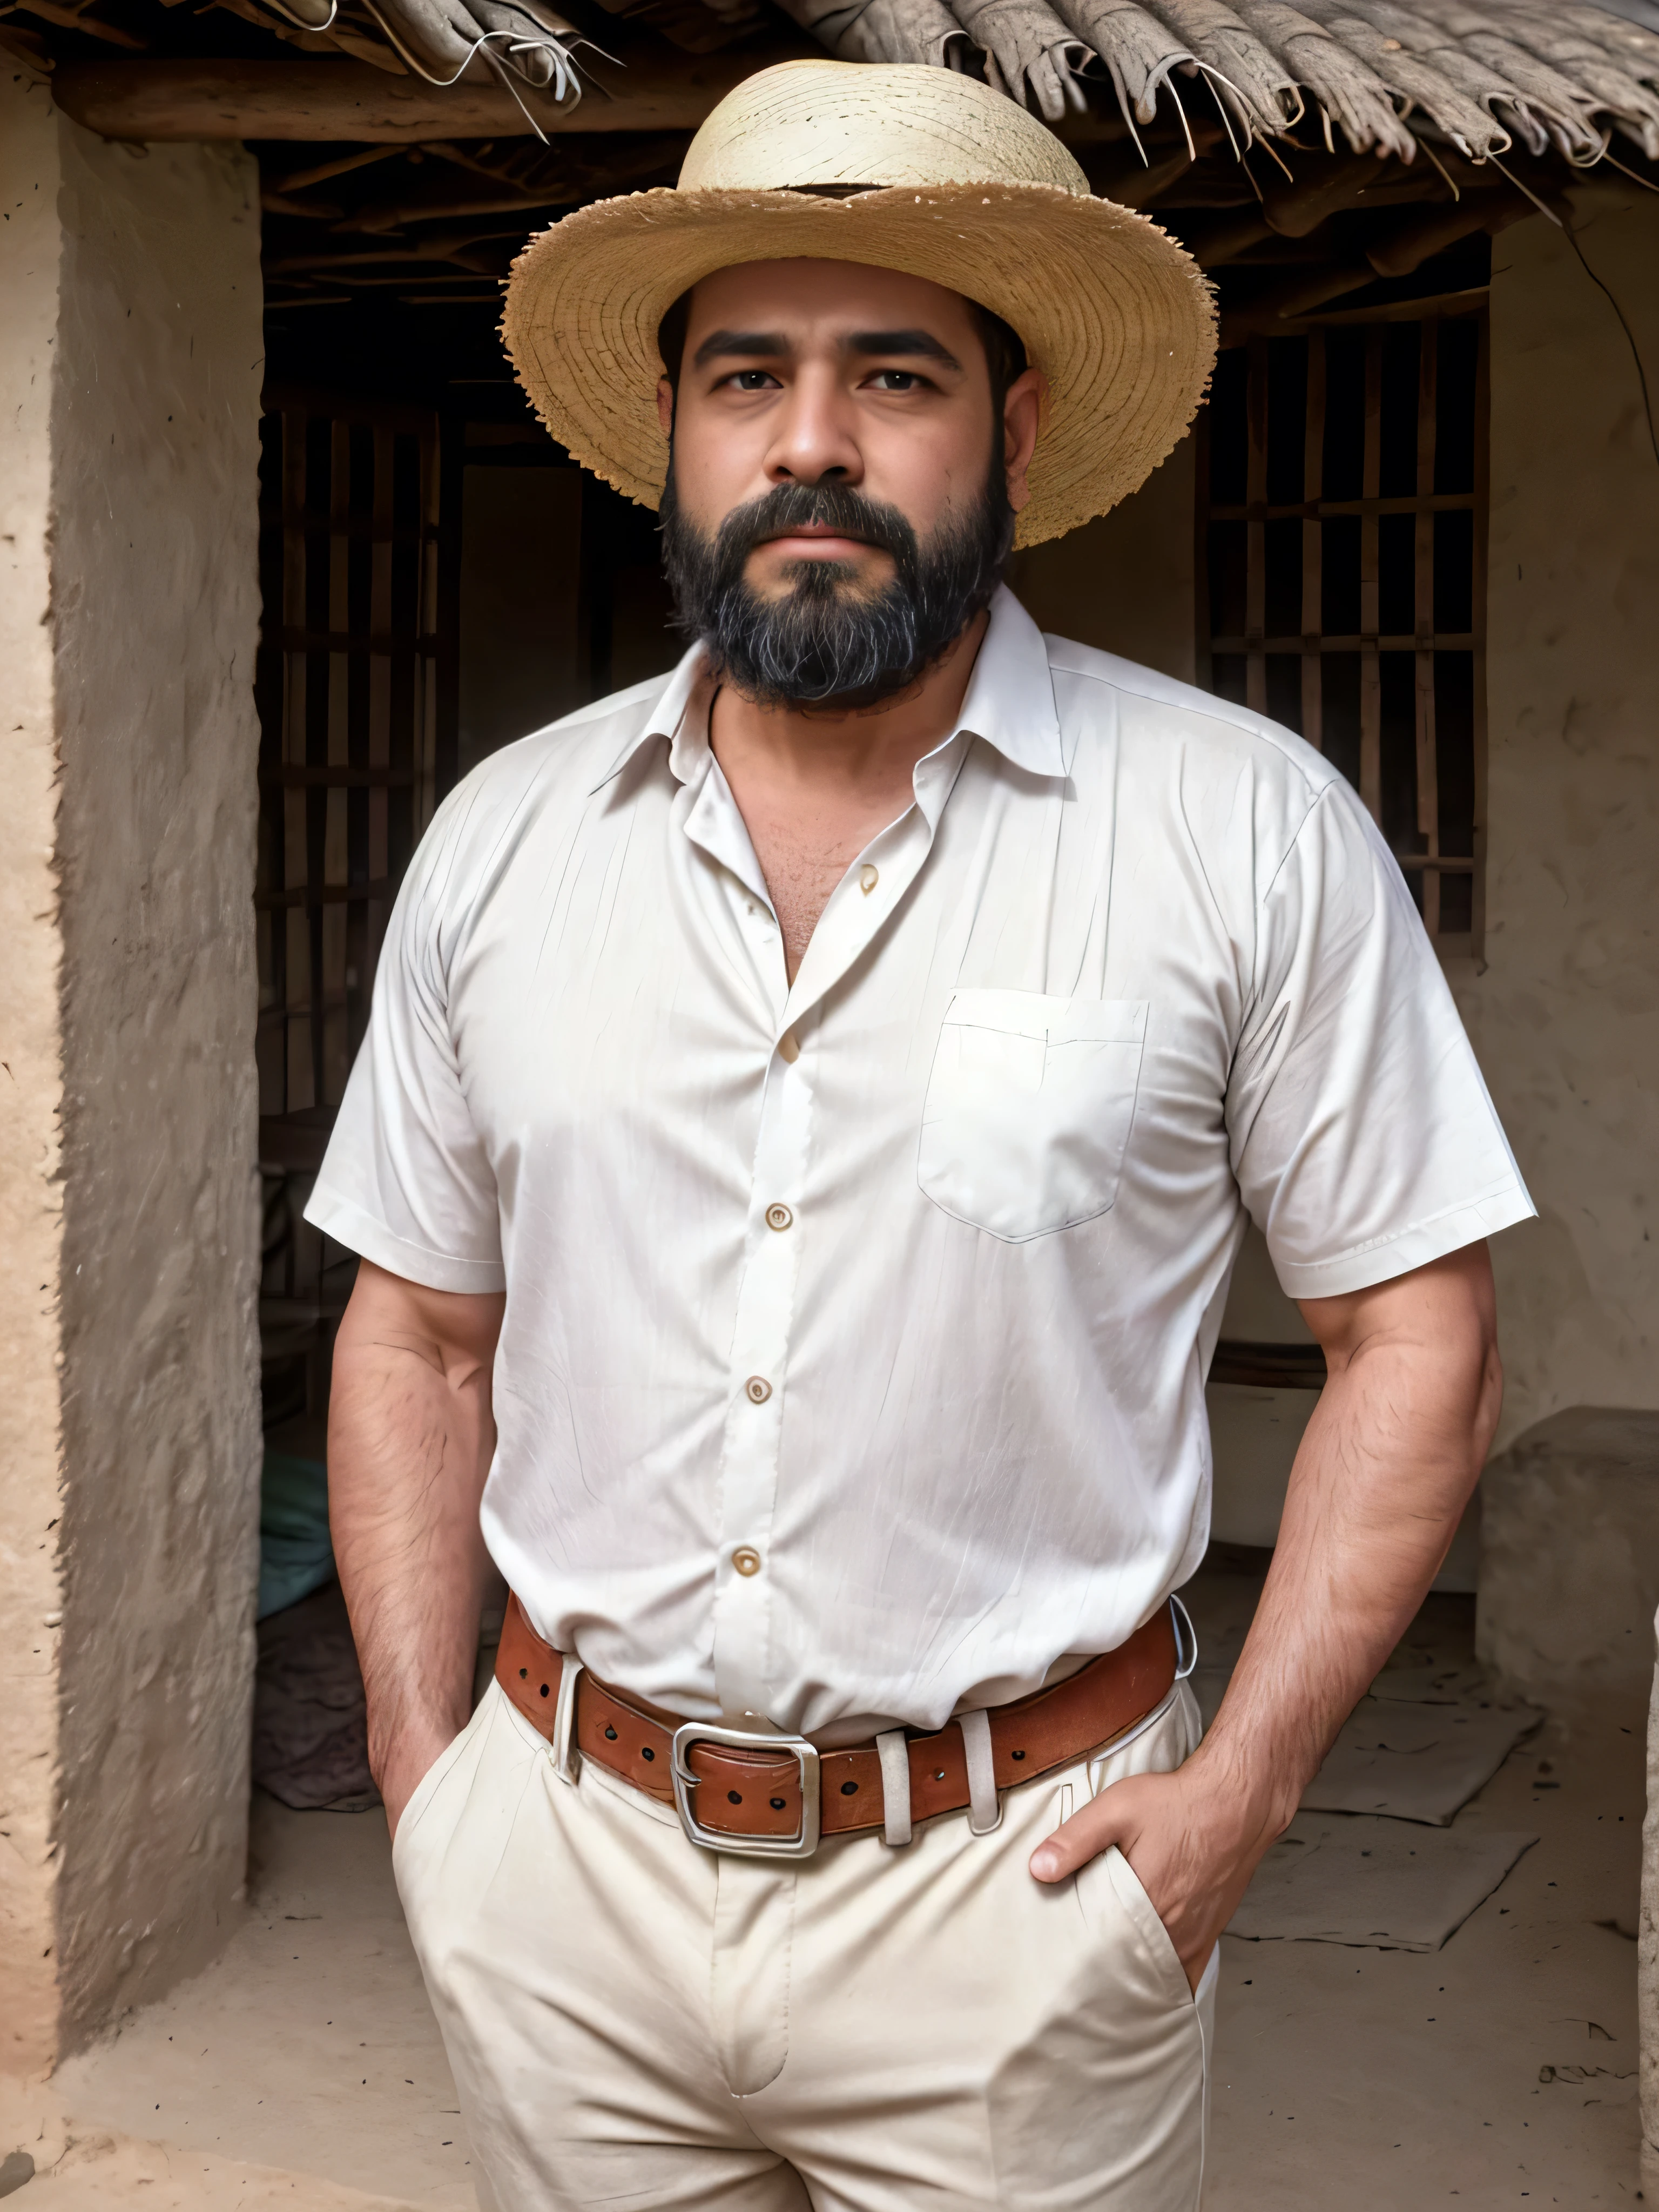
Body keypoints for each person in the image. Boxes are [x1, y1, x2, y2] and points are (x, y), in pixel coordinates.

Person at [308, 57, 1533, 2212]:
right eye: (745, 377)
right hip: (562, 1882)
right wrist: (432, 1781)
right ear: (673, 438)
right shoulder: (504, 842)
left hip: (1024, 1901)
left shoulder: (1241, 828)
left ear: (1019, 427)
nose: (811, 441)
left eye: (895, 374)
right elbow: (416, 1330)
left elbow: (1415, 1329)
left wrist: (1242, 1790)